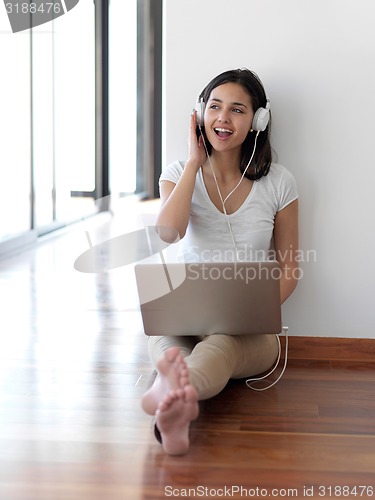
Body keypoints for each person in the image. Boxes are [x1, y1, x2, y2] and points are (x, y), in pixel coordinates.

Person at [141, 68, 299, 455]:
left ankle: (174, 392)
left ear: (258, 120)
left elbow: (290, 267)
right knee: (172, 350)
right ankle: (175, 401)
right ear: (200, 113)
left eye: (237, 110)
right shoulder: (179, 173)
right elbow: (167, 234)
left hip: (250, 333)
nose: (223, 119)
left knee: (221, 346)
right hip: (183, 319)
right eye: (214, 107)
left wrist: (252, 312)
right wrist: (194, 163)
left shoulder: (279, 182)